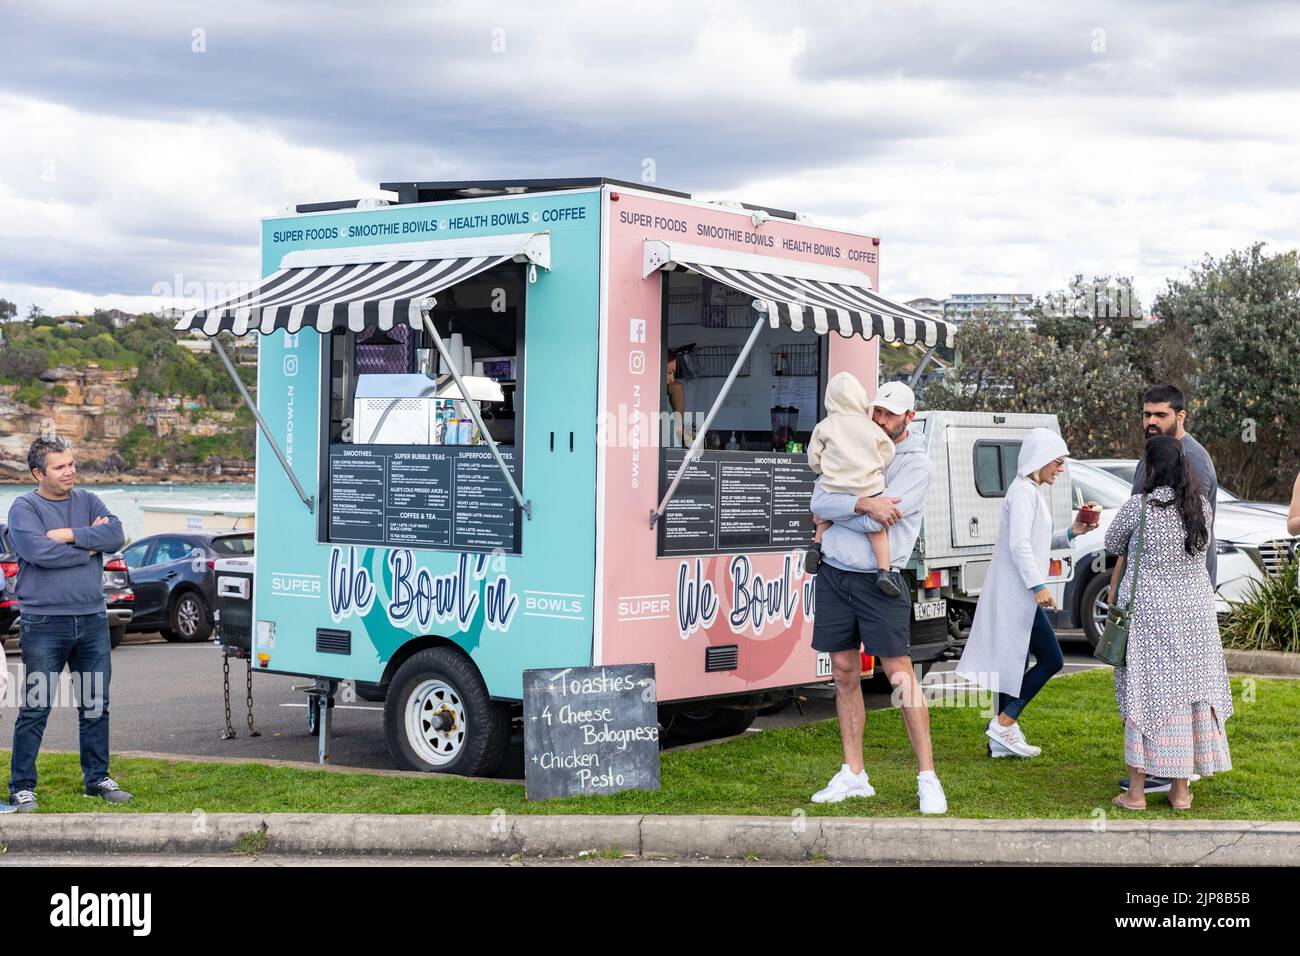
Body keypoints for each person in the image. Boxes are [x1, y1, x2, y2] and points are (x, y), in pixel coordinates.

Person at [806, 381, 947, 814]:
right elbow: (818, 499)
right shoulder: (855, 439)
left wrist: (843, 509)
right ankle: (854, 775)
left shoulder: (916, 465)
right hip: (834, 574)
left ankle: (928, 778)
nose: (881, 419)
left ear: (910, 416)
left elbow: (876, 522)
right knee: (844, 673)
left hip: (879, 581)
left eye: (890, 414)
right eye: (877, 411)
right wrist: (865, 504)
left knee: (900, 677)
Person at [1107, 434, 1233, 811]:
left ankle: (1136, 793)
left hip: (1150, 615)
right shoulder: (1200, 508)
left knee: (1144, 694)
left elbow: (1112, 542)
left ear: (1149, 468)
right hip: (1195, 615)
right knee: (1188, 694)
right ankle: (1180, 792)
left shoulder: (1138, 508)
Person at [6, 437, 132, 813]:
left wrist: (69, 535)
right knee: (36, 706)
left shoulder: (89, 500)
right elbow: (38, 553)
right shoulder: (24, 507)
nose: (70, 472)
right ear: (38, 473)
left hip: (92, 619)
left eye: (72, 464)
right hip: (44, 622)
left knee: (95, 705)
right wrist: (90, 547)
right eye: (60, 467)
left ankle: (97, 779)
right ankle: (22, 786)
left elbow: (116, 535)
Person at [956, 429, 1091, 757]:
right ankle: (1004, 723)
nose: (1060, 469)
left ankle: (1000, 741)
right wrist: (1038, 586)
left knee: (1011, 664)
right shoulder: (1023, 493)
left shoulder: (1029, 491)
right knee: (1052, 659)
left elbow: (1033, 540)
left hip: (1016, 594)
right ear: (1040, 459)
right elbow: (1018, 545)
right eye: (1057, 462)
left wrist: (1072, 532)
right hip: (1016, 595)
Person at [804, 372, 899, 596]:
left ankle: (816, 545)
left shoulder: (824, 426)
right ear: (860, 398)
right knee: (877, 530)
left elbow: (813, 457)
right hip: (867, 486)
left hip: (834, 484)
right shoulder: (871, 427)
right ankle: (884, 570)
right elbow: (888, 451)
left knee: (825, 514)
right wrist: (876, 466)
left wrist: (822, 469)